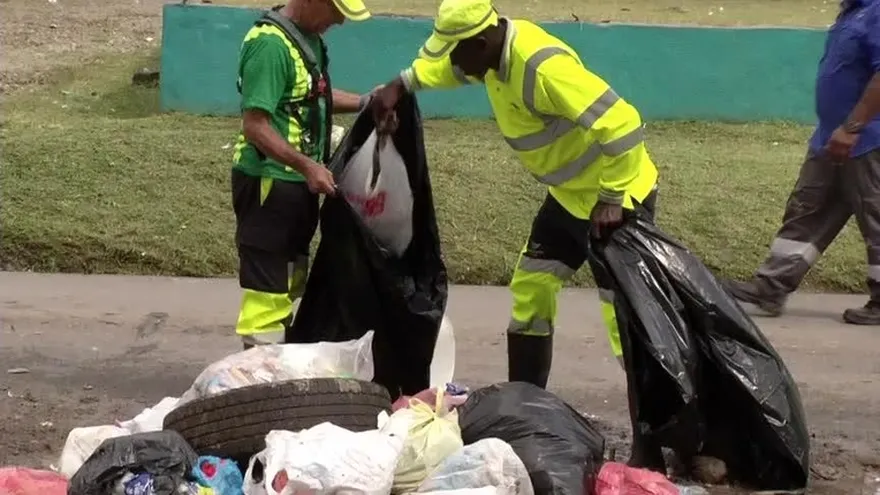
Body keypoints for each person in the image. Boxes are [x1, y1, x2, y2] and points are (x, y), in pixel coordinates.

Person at [370, 0, 664, 467]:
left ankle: (653, 444)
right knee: (531, 287)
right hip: (570, 199)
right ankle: (527, 414)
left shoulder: (541, 68)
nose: (455, 63)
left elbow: (622, 123)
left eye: (457, 53)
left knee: (625, 324)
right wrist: (403, 83)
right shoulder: (491, 59)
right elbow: (450, 71)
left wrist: (612, 197)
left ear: (482, 43)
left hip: (616, 206)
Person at [725, 0, 880, 324]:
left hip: (867, 138)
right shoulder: (854, 11)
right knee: (807, 207)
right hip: (831, 136)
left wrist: (853, 127)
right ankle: (771, 286)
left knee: (875, 214)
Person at [231, 0, 374, 348]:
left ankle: (279, 355)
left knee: (290, 279)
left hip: (298, 183)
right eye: (336, 13)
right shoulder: (269, 45)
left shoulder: (308, 39)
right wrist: (308, 166)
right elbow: (255, 126)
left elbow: (315, 96)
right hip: (271, 182)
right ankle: (260, 372)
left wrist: (365, 102)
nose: (338, 22)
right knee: (268, 287)